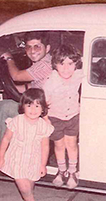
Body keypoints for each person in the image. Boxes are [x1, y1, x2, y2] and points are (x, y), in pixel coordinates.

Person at [0, 31, 52, 159]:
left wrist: (9, 58)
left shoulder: (44, 65)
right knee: (4, 104)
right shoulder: (44, 61)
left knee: (6, 107)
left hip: (43, 112)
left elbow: (16, 76)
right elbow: (33, 86)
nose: (32, 51)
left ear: (47, 48)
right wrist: (10, 88)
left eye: (37, 46)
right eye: (28, 47)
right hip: (38, 101)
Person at [0, 88, 54, 201]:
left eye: (37, 106)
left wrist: (42, 164)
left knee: (29, 186)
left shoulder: (43, 126)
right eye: (29, 105)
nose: (33, 109)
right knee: (23, 187)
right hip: (17, 158)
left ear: (43, 108)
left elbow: (45, 146)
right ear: (22, 106)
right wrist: (1, 157)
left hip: (34, 159)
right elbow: (6, 139)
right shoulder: (17, 121)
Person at [43, 44, 84, 189]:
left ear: (76, 64)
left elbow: (87, 62)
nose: (66, 68)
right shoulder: (50, 82)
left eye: (70, 64)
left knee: (71, 144)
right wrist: (46, 120)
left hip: (73, 116)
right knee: (59, 145)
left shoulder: (78, 74)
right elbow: (44, 103)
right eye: (62, 64)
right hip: (55, 118)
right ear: (55, 65)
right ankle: (61, 171)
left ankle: (72, 171)